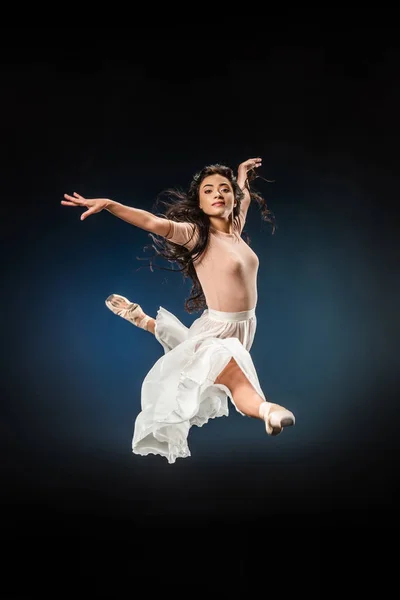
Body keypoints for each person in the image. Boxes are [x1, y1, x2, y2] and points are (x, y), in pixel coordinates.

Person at [61, 157, 295, 463]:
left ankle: (143, 319)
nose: (217, 194)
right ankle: (269, 411)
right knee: (233, 375)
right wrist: (109, 205)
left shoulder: (235, 228)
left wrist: (241, 176)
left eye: (223, 190)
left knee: (196, 354)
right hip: (220, 328)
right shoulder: (196, 236)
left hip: (244, 327)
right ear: (199, 203)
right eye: (208, 191)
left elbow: (244, 195)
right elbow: (151, 222)